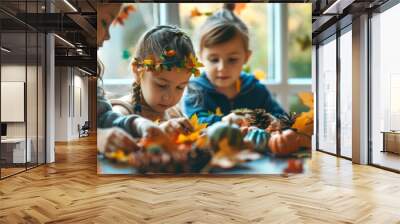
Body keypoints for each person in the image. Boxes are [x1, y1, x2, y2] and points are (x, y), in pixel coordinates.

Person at [182, 3, 285, 126]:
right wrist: (224, 121)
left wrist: (274, 121)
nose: (222, 68)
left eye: (232, 59)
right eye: (214, 60)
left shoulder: (256, 90)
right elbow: (196, 121)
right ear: (201, 58)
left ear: (246, 57)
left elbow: (281, 118)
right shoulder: (196, 90)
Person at [111, 25, 204, 138]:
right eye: (162, 85)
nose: (169, 97)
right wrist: (159, 132)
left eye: (180, 87)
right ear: (137, 70)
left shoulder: (175, 113)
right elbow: (114, 139)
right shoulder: (121, 111)